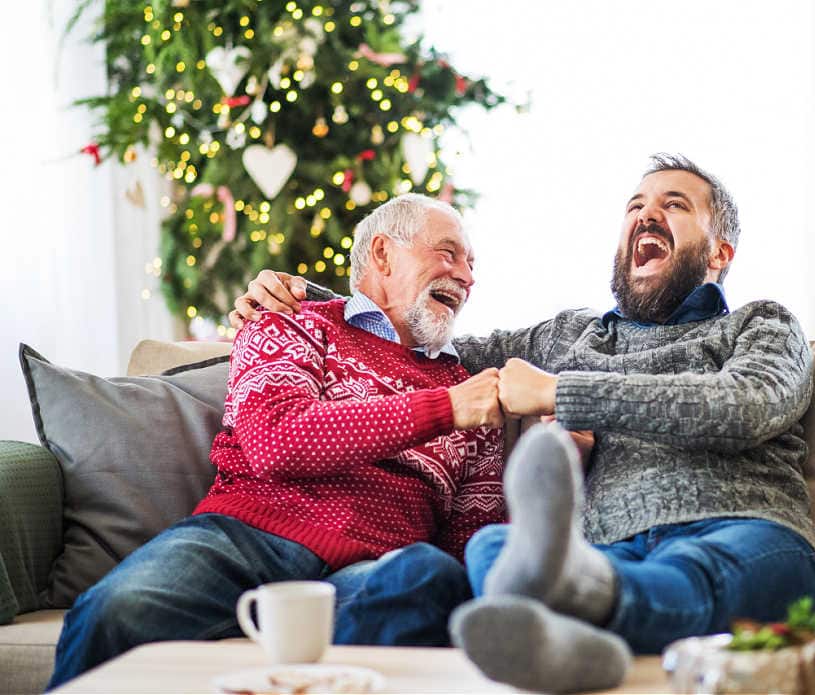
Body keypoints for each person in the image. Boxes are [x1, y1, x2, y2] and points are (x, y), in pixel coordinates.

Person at [231, 153, 815, 694]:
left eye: (674, 205)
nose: (647, 216)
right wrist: (305, 299)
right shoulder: (569, 335)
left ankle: (577, 618)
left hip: (739, 529)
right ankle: (582, 637)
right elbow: (415, 341)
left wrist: (562, 392)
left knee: (697, 573)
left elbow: (748, 403)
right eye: (635, 208)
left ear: (720, 252)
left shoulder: (760, 323)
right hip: (599, 552)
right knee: (493, 546)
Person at [47, 194, 508, 690]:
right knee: (119, 608)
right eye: (448, 253)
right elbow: (275, 440)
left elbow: (471, 537)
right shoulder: (291, 321)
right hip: (245, 538)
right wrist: (444, 409)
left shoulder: (469, 388)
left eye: (471, 263)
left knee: (426, 576)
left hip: (372, 571)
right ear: (382, 254)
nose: (467, 276)